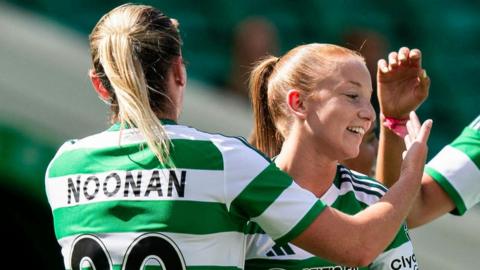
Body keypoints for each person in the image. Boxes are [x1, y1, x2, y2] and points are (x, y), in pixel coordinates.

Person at [45, 4, 431, 269]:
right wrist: (411, 173)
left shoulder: (61, 168)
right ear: (180, 72)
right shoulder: (222, 158)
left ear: (99, 85)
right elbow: (358, 246)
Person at [245, 44, 431, 269]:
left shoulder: (374, 200)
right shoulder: (243, 197)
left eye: (369, 100)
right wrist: (410, 175)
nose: (369, 114)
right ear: (299, 103)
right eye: (353, 96)